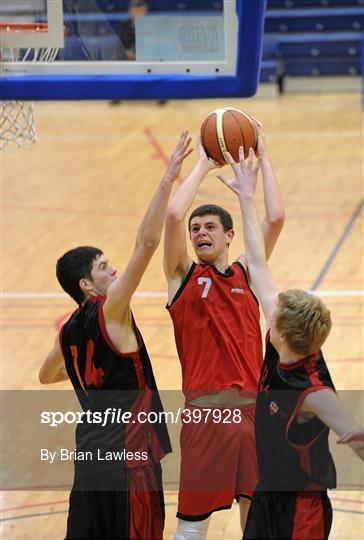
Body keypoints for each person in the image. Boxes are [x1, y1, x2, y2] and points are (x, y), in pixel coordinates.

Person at [39, 131, 193, 540]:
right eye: (104, 266)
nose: (113, 270)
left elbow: (46, 375)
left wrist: (91, 378)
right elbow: (146, 242)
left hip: (89, 460)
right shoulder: (111, 311)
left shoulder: (68, 331)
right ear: (88, 286)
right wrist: (169, 175)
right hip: (130, 462)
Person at [218, 142, 364, 540]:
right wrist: (247, 195)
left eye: (275, 312)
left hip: (303, 509)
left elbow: (353, 434)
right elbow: (259, 261)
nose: (271, 306)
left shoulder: (315, 393)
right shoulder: (284, 339)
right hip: (268, 494)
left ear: (280, 331)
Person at [163, 122, 285, 538]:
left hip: (254, 417)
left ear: (231, 235)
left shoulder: (248, 274)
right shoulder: (181, 277)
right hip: (206, 416)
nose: (199, 233)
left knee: (258, 521)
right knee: (192, 527)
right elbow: (175, 213)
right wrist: (202, 162)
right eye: (196, 230)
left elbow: (276, 217)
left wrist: (264, 158)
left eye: (210, 227)